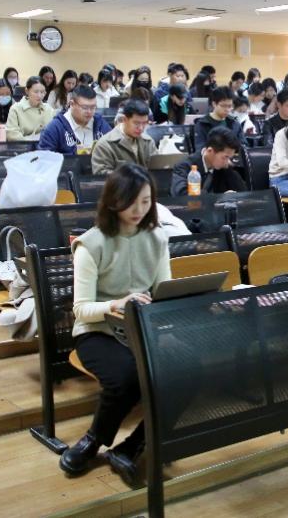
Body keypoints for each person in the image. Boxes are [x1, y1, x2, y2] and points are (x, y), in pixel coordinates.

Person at [62, 165, 172, 486]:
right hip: (98, 331)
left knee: (189, 369)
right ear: (113, 201)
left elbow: (163, 291)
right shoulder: (91, 244)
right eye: (131, 202)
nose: (139, 210)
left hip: (141, 329)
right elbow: (81, 310)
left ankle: (132, 446)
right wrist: (114, 304)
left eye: (146, 202)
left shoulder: (157, 238)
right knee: (127, 377)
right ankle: (94, 439)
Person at [38, 85, 112, 155]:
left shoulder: (100, 124)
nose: (89, 112)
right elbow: (45, 159)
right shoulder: (55, 128)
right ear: (72, 104)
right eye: (85, 107)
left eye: (93, 107)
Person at [171, 127, 246, 195]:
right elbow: (181, 195)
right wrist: (218, 198)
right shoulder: (184, 166)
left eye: (230, 158)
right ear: (210, 151)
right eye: (225, 157)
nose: (227, 163)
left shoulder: (225, 167)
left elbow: (243, 193)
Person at [91, 100, 156, 174]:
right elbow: (100, 175)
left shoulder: (148, 142)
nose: (141, 128)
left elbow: (158, 169)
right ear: (124, 120)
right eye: (136, 123)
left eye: (144, 123)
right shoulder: (105, 145)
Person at [193, 86, 246, 152]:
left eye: (230, 106)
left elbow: (243, 145)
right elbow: (201, 149)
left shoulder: (234, 123)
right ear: (214, 104)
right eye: (223, 106)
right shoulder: (202, 124)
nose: (227, 110)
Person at [6, 76, 54, 141]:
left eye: (42, 92)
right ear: (27, 91)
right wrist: (32, 140)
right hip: (23, 146)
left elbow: (54, 131)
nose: (39, 96)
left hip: (46, 145)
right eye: (36, 92)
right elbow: (11, 134)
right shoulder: (16, 109)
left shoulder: (49, 109)